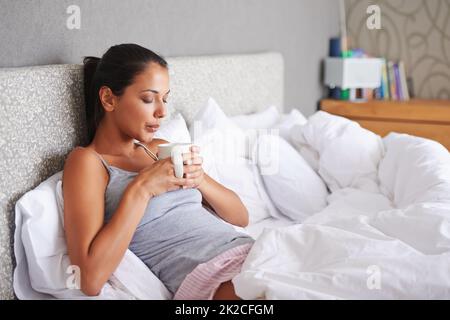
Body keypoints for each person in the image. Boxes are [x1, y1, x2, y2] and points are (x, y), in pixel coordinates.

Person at [62, 43, 254, 300]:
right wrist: (142, 188)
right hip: (211, 276)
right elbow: (89, 279)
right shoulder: (88, 162)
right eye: (148, 99)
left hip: (249, 251)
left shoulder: (160, 148)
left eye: (164, 99)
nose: (162, 112)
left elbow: (241, 217)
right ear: (109, 98)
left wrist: (200, 180)